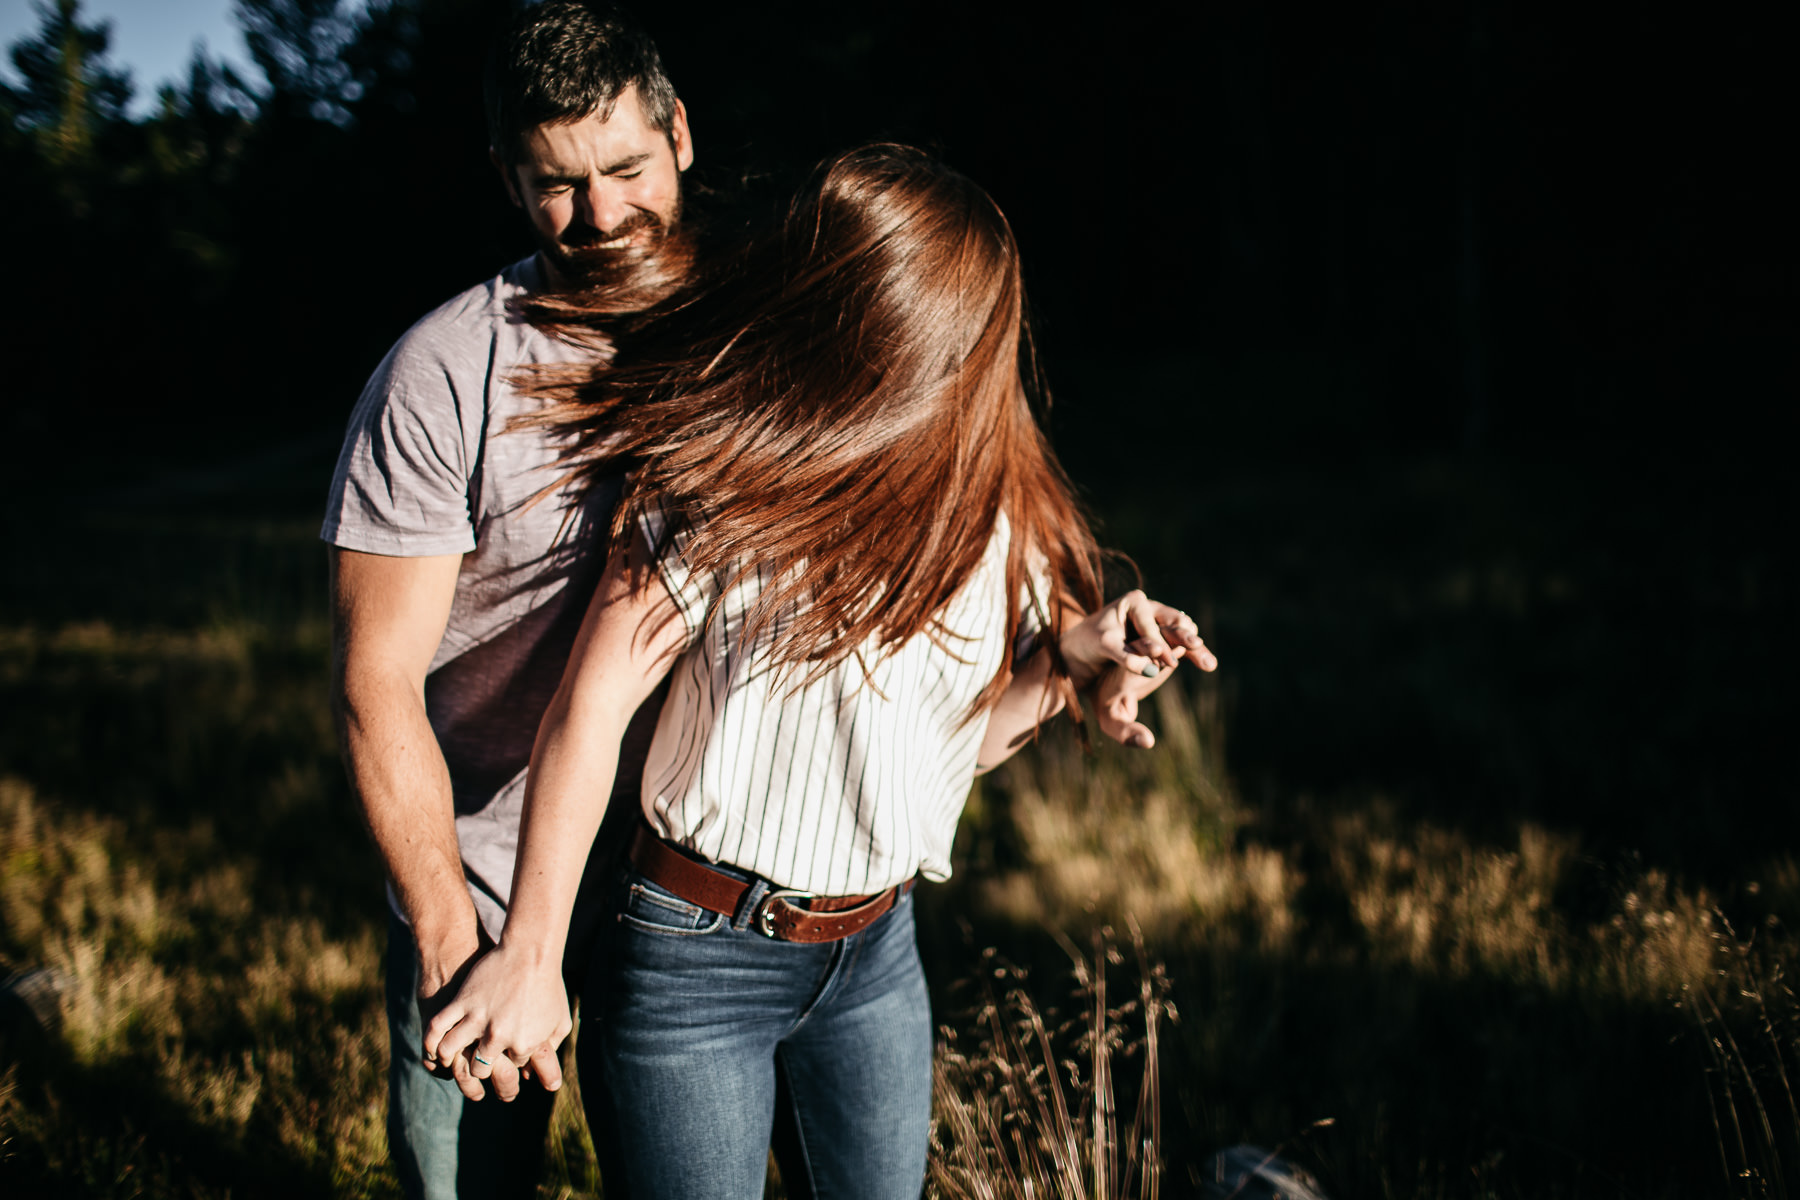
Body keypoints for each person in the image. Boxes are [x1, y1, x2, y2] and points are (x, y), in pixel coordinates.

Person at [421, 144, 1218, 1200]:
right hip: (692, 956)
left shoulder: (997, 506)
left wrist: (1069, 659)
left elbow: (947, 753)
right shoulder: (719, 483)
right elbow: (589, 711)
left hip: (876, 954)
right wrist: (530, 953)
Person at [322, 3, 693, 1196]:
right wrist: (448, 940)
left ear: (680, 134)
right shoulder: (441, 373)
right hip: (478, 879)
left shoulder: (755, 335)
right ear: (505, 177)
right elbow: (375, 682)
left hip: (694, 889)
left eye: (624, 168)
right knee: (465, 1187)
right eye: (553, 186)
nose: (597, 215)